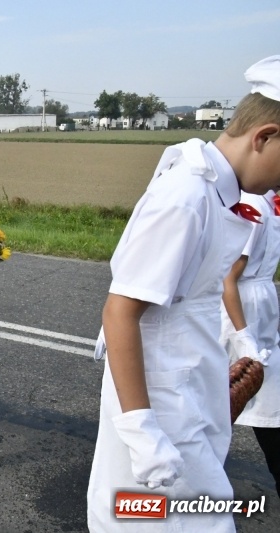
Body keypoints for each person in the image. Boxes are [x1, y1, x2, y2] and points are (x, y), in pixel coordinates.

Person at [87, 55, 280, 532]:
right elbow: (120, 312)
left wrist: (225, 355)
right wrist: (142, 431)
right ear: (264, 137)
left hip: (183, 388)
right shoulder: (187, 196)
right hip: (159, 404)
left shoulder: (214, 191)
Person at [220, 187, 280, 500]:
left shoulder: (272, 204)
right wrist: (243, 337)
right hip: (240, 314)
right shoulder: (254, 204)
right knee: (225, 401)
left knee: (266, 407)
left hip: (261, 310)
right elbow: (228, 278)